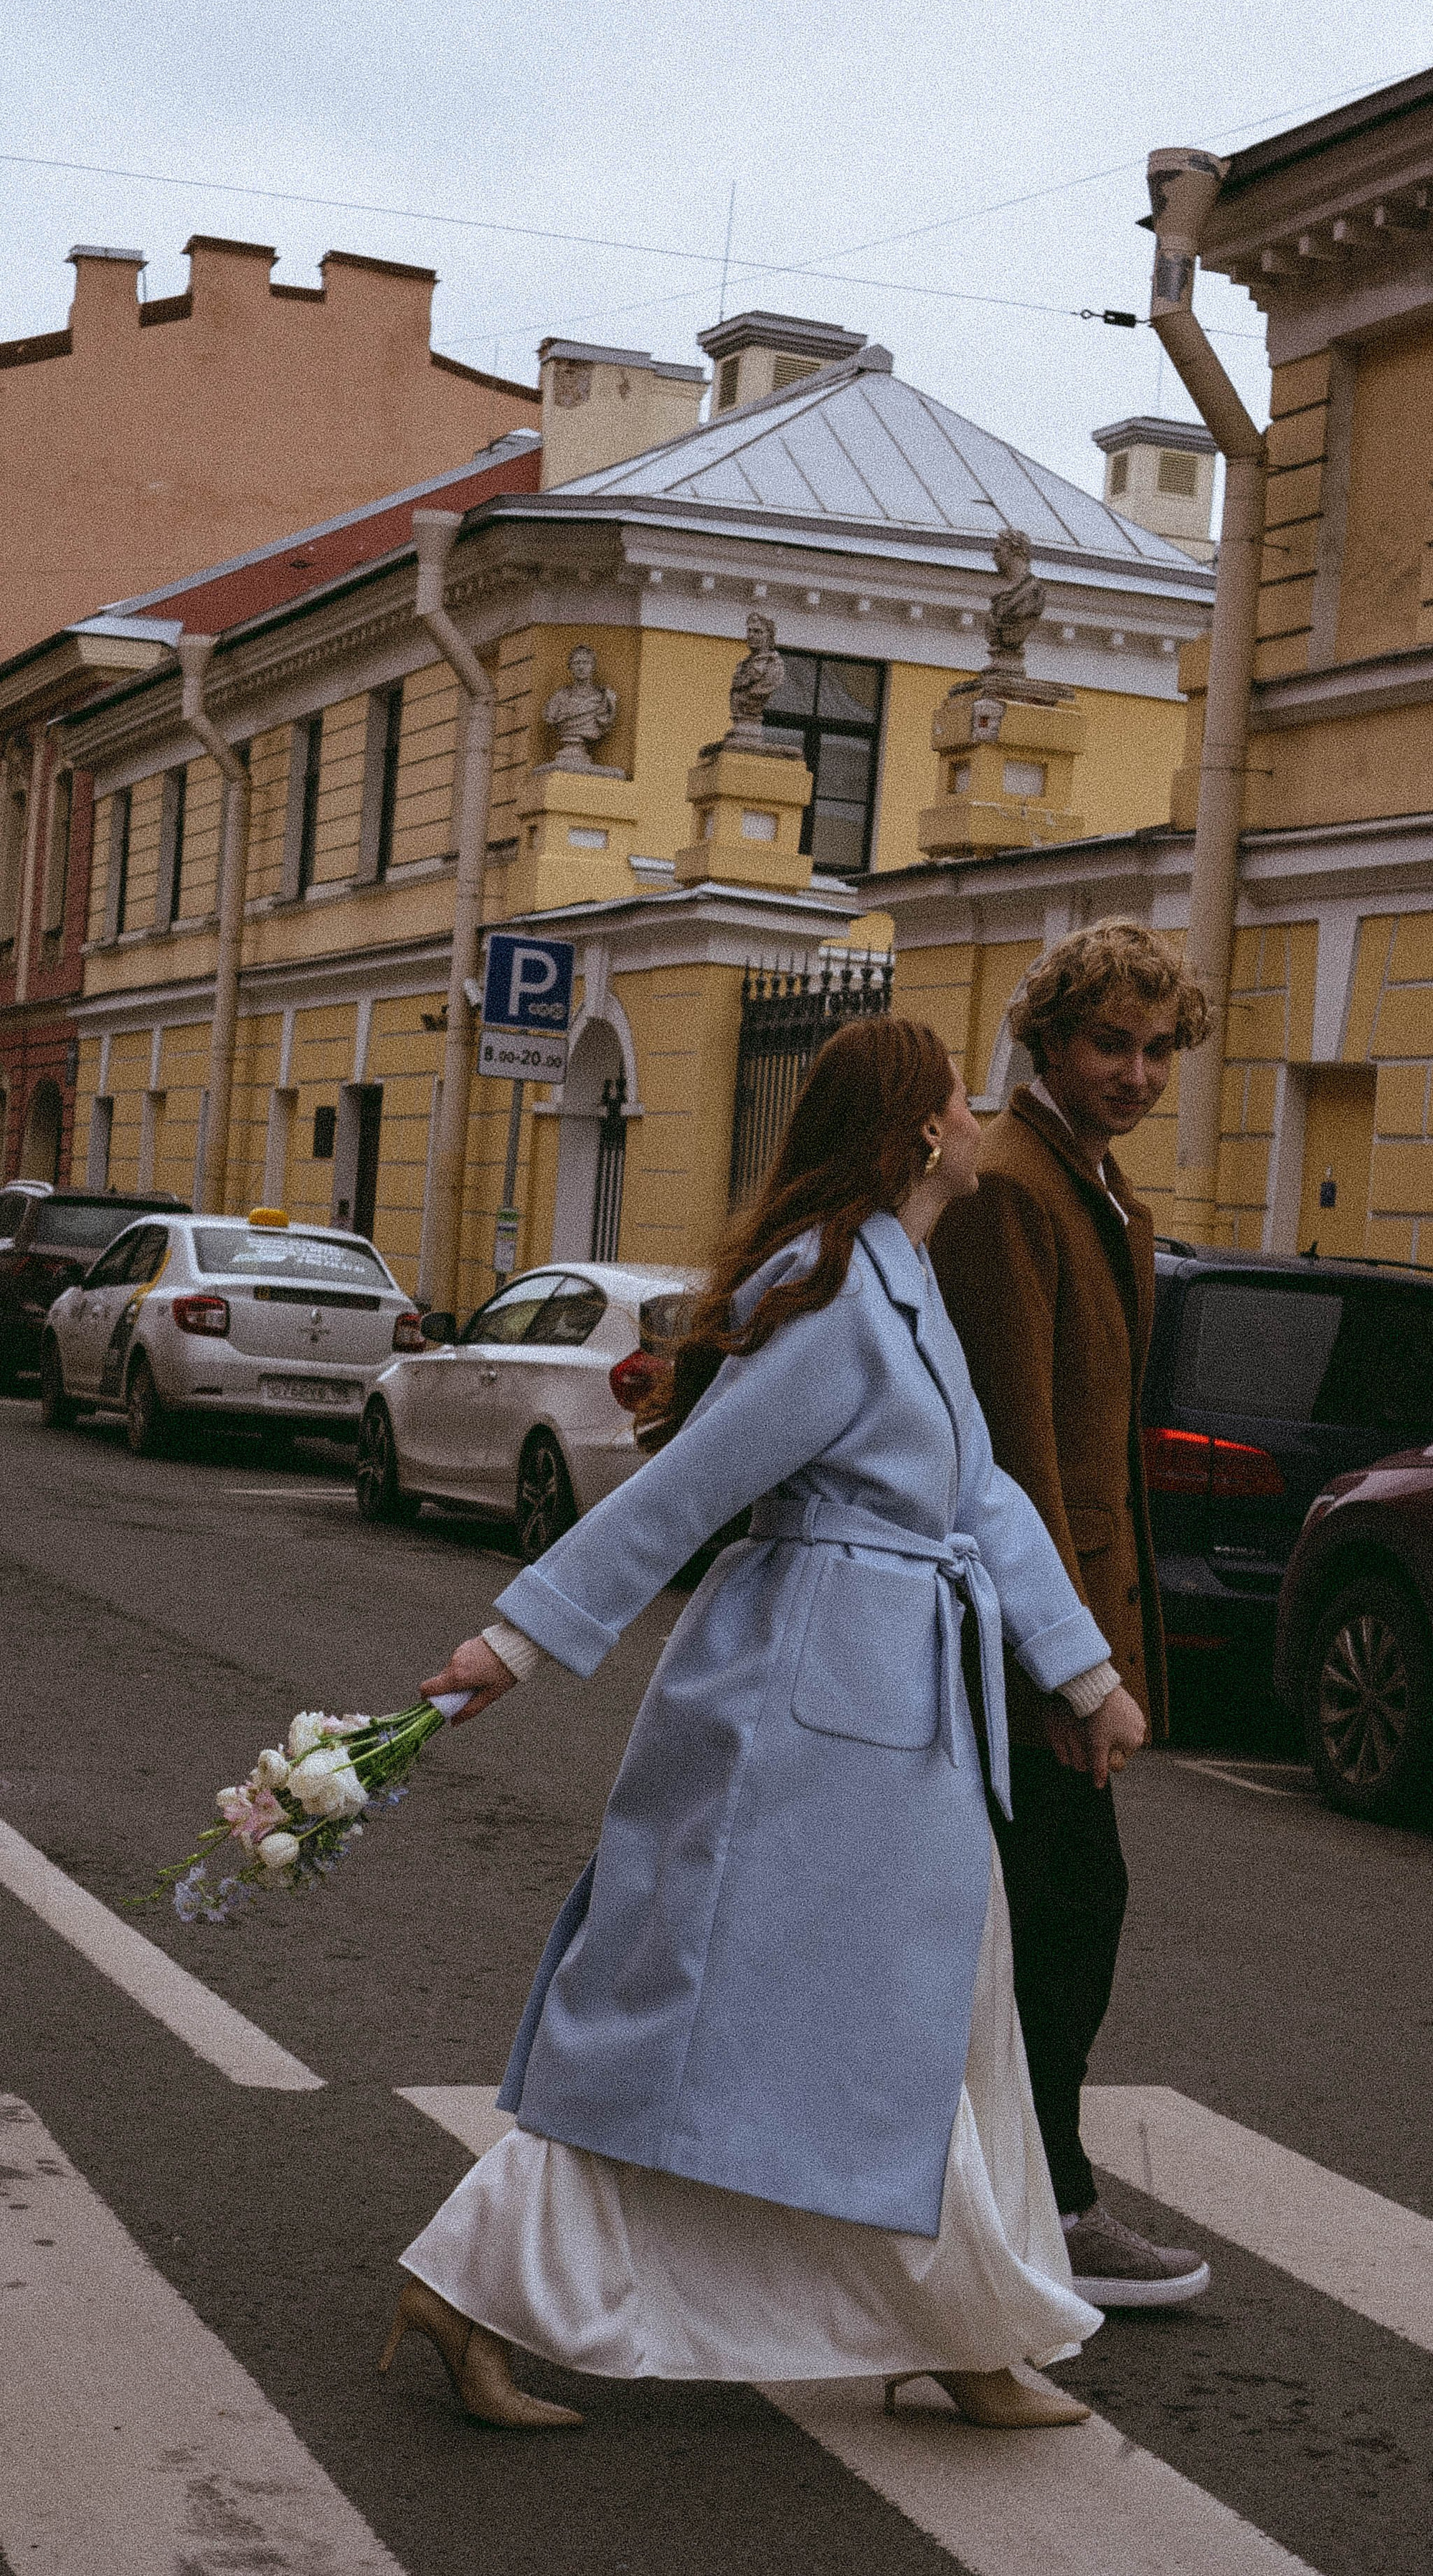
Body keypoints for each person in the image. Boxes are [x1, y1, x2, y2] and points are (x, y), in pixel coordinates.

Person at [384, 1016, 1148, 2435]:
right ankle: (474, 2280)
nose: (983, 1118)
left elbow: (979, 1500)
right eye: (960, 1102)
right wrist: (518, 1636)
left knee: (930, 2017)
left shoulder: (898, 1277)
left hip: (897, 1710)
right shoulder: (832, 1285)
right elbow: (692, 1488)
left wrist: (1082, 1672)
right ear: (923, 1131)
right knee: (693, 2023)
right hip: (798, 1720)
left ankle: (964, 2327)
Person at [930, 920, 1212, 2310]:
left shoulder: (1089, 1188)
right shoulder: (1011, 1187)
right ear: (1046, 1038)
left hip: (1061, 1622)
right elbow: (1010, 1458)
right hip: (1017, 1638)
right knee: (1062, 1908)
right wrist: (1065, 1666)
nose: (1138, 1073)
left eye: (1158, 1049)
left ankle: (1005, 2188)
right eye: (1110, 1042)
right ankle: (1049, 2200)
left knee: (1033, 1916)